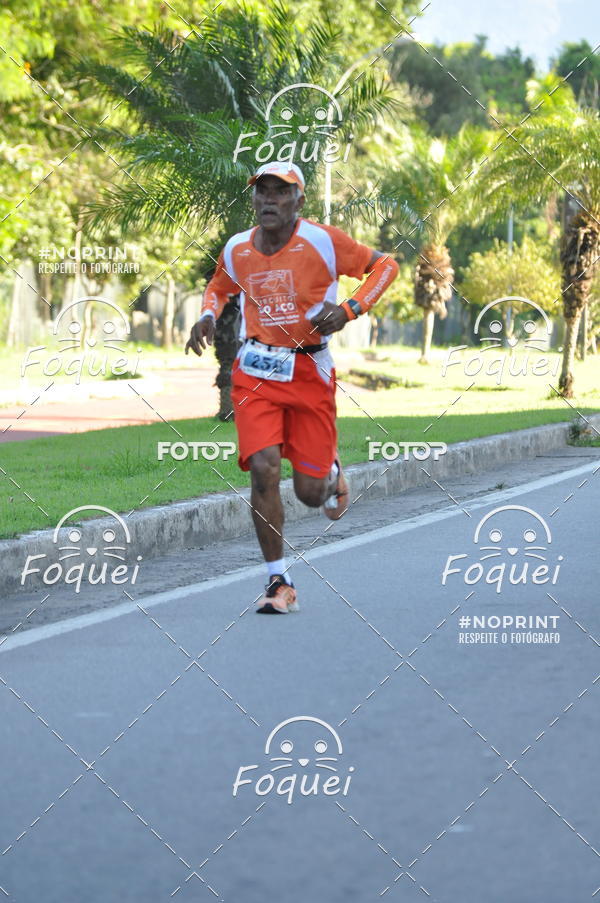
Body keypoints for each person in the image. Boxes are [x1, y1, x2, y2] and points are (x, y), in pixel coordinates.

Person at [186, 161, 398, 614]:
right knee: (262, 469)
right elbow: (218, 287)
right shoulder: (238, 247)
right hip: (257, 368)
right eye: (262, 192)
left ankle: (331, 475)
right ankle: (278, 581)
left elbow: (385, 266)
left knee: (308, 492)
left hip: (309, 371)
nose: (269, 201)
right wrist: (207, 314)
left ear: (298, 202)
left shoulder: (324, 241)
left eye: (280, 193)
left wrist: (351, 308)